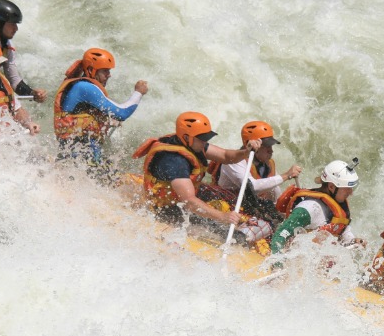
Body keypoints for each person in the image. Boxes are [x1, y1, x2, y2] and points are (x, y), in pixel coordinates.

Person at [132, 111, 262, 231]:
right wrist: (222, 216)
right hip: (166, 210)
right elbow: (189, 201)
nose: (205, 141)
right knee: (233, 235)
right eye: (202, 138)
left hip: (183, 198)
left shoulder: (193, 144)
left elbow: (226, 156)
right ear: (187, 137)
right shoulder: (174, 161)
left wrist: (246, 151)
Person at [54, 48, 147, 182]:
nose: (109, 75)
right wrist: (138, 93)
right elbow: (121, 113)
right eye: (105, 71)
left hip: (82, 157)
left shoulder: (82, 86)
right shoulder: (84, 87)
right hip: (82, 160)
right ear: (92, 70)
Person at [270, 159, 364, 257]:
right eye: (347, 189)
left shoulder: (340, 205)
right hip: (302, 259)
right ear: (331, 187)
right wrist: (278, 264)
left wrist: (353, 241)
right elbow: (279, 236)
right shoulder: (308, 208)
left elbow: (343, 231)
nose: (351, 193)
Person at [213, 120, 303, 203]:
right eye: (266, 146)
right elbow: (252, 187)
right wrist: (287, 175)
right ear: (250, 144)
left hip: (248, 205)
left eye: (271, 146)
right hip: (228, 204)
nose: (271, 151)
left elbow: (274, 189)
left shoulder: (268, 164)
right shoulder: (234, 162)